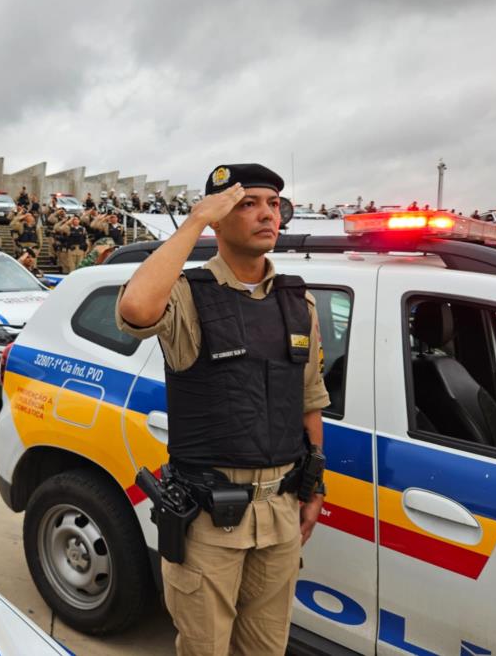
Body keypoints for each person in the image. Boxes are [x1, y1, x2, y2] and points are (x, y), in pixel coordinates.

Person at [116, 164, 329, 656]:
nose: (266, 214)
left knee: (266, 648)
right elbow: (135, 312)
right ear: (216, 217)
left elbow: (309, 400)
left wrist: (314, 485)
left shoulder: (300, 303)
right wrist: (193, 224)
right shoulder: (188, 295)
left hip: (279, 511)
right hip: (209, 519)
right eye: (247, 204)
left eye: (273, 204)